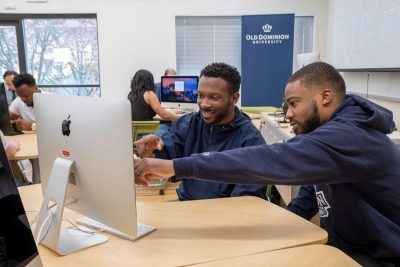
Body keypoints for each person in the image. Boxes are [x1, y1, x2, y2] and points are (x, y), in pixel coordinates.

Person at [134, 62, 400, 266]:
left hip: (380, 258)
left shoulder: (349, 137)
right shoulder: (334, 136)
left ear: (326, 96)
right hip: (346, 247)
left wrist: (174, 167)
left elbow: (270, 159)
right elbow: (311, 191)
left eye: (294, 103)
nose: (289, 114)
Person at [134, 62, 267, 201]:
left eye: (214, 97)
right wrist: (155, 143)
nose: (204, 104)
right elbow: (170, 140)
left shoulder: (251, 140)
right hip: (187, 202)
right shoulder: (192, 122)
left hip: (225, 214)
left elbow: (246, 201)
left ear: (234, 98)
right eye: (201, 95)